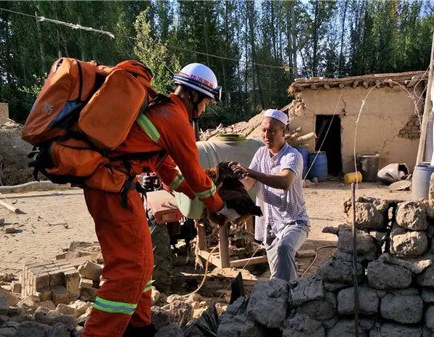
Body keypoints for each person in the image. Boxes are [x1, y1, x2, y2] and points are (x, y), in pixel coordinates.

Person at [81, 63, 240, 337]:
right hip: (113, 188)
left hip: (115, 187)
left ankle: (139, 326)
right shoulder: (175, 119)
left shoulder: (162, 111)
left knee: (143, 264)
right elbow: (195, 174)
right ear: (194, 96)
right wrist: (220, 208)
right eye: (206, 102)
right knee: (129, 270)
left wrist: (198, 198)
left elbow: (168, 171)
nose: (204, 109)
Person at [230, 109, 309, 282]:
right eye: (264, 130)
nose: (267, 135)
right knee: (278, 275)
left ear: (284, 132)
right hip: (270, 227)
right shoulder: (260, 154)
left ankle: (286, 299)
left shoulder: (292, 156)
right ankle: (287, 297)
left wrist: (250, 172)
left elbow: (284, 181)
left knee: (285, 247)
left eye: (272, 131)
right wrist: (229, 187)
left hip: (294, 222)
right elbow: (248, 183)